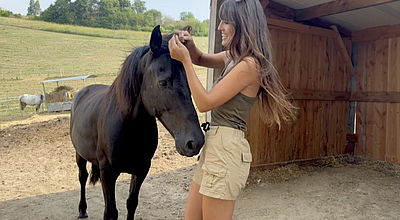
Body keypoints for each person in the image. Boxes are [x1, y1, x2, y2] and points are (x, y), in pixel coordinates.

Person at [168, 0, 296, 219]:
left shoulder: (250, 65)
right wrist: (190, 48)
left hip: (227, 149)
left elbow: (205, 102)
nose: (219, 28)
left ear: (242, 25)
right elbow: (200, 58)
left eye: (226, 22)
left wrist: (185, 62)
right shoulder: (232, 58)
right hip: (214, 145)